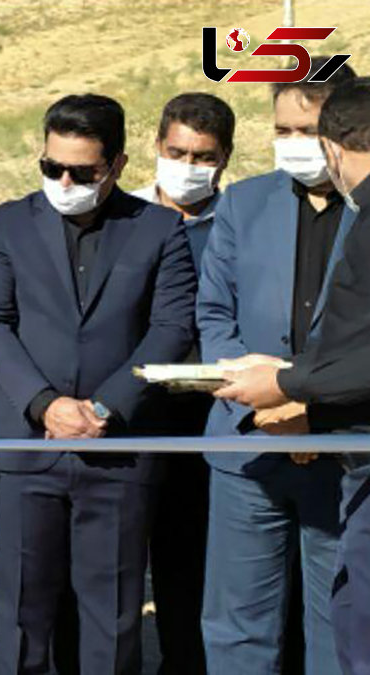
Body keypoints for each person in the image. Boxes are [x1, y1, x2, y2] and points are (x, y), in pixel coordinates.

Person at [0, 94, 197, 674]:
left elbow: (171, 328)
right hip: (27, 447)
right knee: (22, 611)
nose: (64, 181)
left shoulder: (160, 229)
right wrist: (45, 406)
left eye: (82, 171)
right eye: (52, 168)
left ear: (117, 165)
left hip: (117, 451)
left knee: (113, 615)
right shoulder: (6, 223)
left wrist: (104, 408)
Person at [196, 58, 357, 675]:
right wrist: (258, 399)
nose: (293, 145)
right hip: (246, 445)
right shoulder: (244, 202)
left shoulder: (365, 207)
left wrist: (309, 407)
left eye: (307, 131)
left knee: (339, 620)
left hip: (342, 449)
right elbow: (214, 315)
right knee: (238, 626)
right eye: (281, 130)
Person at [131, 91, 234, 675]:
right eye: (178, 152)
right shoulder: (125, 220)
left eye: (203, 157)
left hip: (211, 417)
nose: (189, 166)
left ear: (225, 158)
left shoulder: (236, 225)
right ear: (157, 147)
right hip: (133, 412)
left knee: (189, 560)